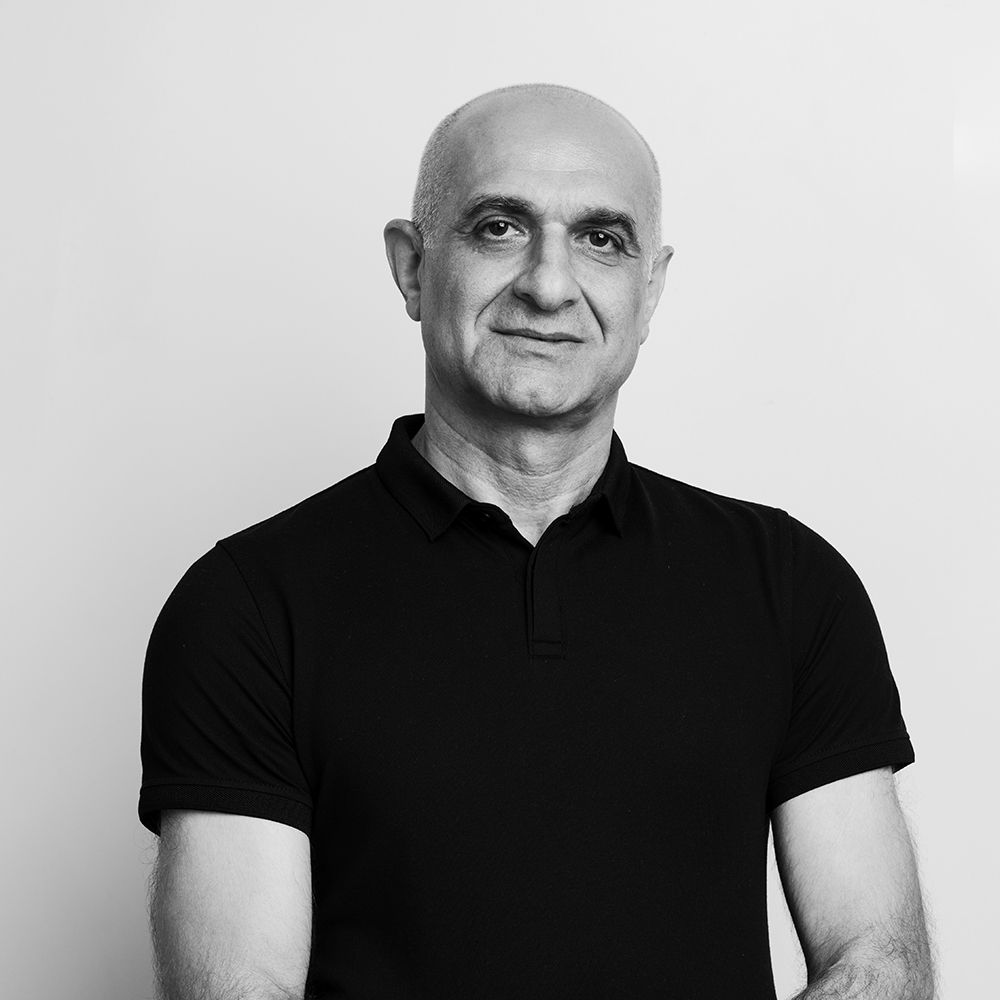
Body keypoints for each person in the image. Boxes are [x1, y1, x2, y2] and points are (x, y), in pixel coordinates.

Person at [140, 84, 934, 1000]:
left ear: (650, 290)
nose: (549, 285)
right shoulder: (246, 607)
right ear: (412, 267)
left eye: (601, 239)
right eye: (499, 228)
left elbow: (877, 965)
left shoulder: (790, 585)